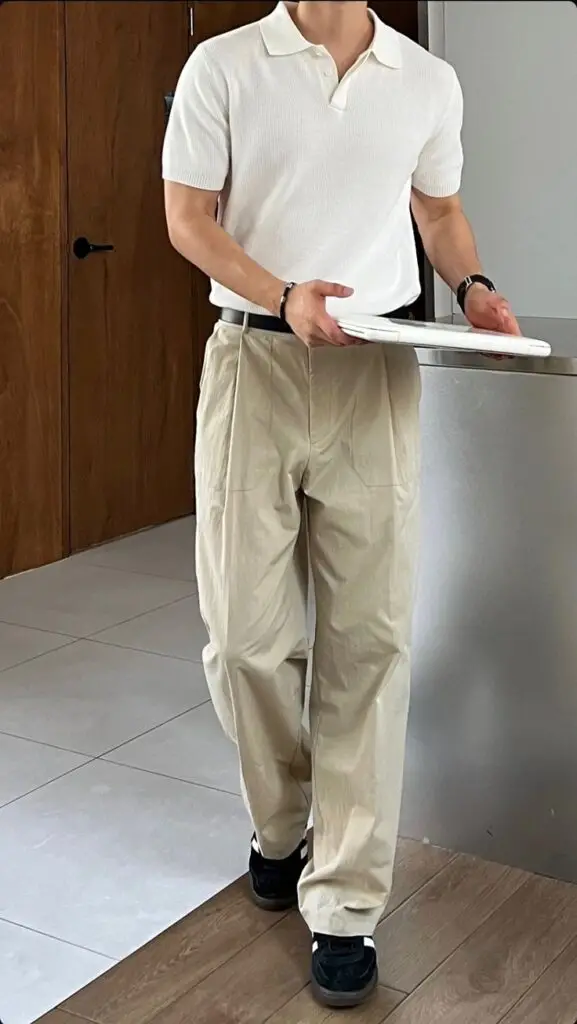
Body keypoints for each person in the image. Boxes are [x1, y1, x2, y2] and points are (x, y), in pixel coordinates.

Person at [163, 0, 520, 1009]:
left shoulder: (425, 80)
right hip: (255, 362)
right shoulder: (223, 64)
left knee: (368, 640)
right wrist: (282, 295)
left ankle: (346, 902)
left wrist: (474, 286)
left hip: (376, 371)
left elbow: (438, 212)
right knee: (243, 639)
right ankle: (281, 823)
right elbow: (188, 218)